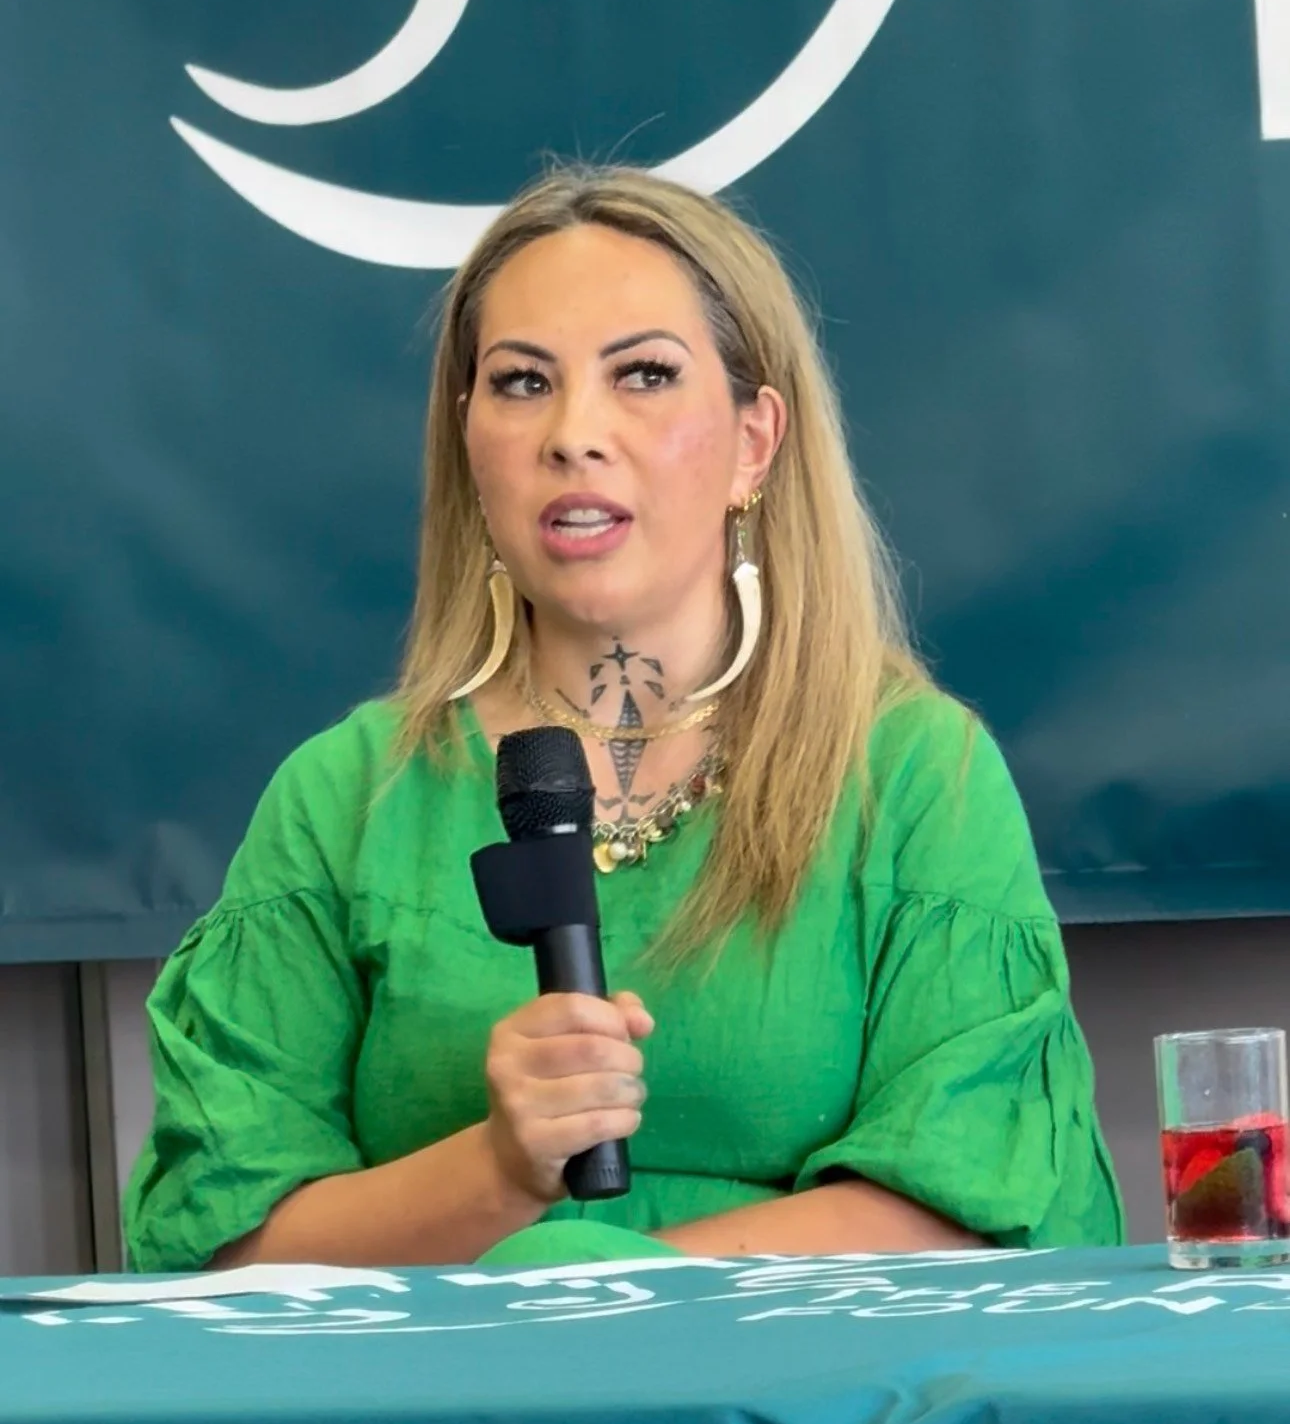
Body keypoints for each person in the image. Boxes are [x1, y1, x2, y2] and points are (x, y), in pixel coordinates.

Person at [124, 165, 1123, 1274]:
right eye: (519, 382)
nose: (573, 433)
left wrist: (614, 1307)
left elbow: (974, 1216)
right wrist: (500, 1170)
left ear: (755, 440)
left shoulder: (916, 774)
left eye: (643, 374)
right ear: (467, 437)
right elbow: (223, 1251)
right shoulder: (343, 797)